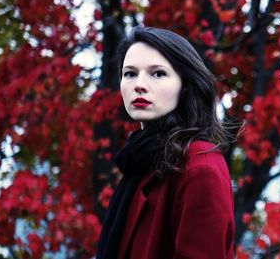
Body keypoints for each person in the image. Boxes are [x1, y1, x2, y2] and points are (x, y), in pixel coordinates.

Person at [96, 26, 235, 259]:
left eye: (157, 73)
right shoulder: (139, 162)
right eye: (129, 73)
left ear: (185, 84)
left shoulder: (200, 166)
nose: (138, 84)